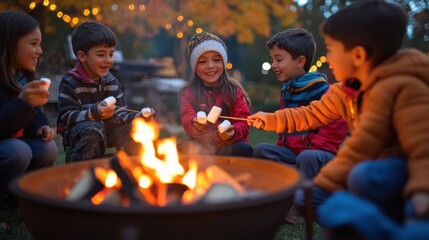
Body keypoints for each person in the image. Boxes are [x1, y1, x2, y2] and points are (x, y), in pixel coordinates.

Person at [248, 0, 429, 233]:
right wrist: (271, 119)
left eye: (332, 50)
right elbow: (312, 114)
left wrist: (422, 190)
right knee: (313, 198)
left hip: (406, 171)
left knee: (362, 177)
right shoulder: (344, 92)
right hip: (370, 165)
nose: (328, 58)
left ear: (358, 55)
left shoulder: (406, 87)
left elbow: (422, 146)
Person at [252, 28, 348, 181]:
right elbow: (285, 124)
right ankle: (285, 181)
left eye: (279, 59)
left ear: (300, 61)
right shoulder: (287, 89)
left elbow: (336, 125)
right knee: (261, 150)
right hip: (293, 153)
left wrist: (313, 148)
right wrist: (281, 147)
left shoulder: (320, 88)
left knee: (306, 158)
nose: (273, 65)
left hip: (318, 153)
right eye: (272, 60)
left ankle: (302, 193)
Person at [57, 21, 153, 162]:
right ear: (82, 56)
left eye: (111, 54)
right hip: (82, 134)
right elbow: (67, 116)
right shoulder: (70, 82)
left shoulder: (111, 82)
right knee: (93, 130)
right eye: (101, 55)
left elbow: (120, 111)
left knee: (136, 128)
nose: (108, 60)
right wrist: (94, 112)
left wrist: (137, 116)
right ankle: (84, 175)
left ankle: (134, 172)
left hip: (110, 132)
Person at [0, 11, 57, 202]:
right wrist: (22, 103)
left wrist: (40, 126)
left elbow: (32, 115)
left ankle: (17, 198)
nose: (40, 51)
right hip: (8, 147)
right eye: (33, 44)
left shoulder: (20, 76)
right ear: (8, 43)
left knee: (48, 149)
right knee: (18, 151)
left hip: (11, 145)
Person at [178, 32, 253, 157]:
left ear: (223, 63)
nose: (210, 66)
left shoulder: (233, 91)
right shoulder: (189, 92)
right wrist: (195, 124)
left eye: (217, 60)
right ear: (194, 67)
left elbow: (243, 122)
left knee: (243, 148)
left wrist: (233, 132)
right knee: (182, 148)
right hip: (203, 147)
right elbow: (187, 118)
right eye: (202, 62)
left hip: (230, 147)